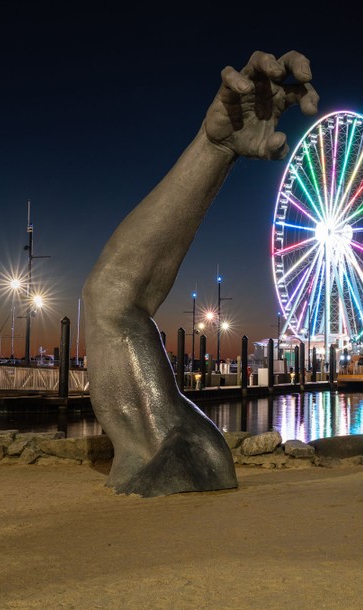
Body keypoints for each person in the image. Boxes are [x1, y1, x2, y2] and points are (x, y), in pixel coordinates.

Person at [82, 51, 319, 497]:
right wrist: (213, 149)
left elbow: (112, 294)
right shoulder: (166, 444)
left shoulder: (191, 451)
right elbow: (109, 294)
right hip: (165, 451)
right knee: (105, 300)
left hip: (181, 451)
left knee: (106, 300)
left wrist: (214, 150)